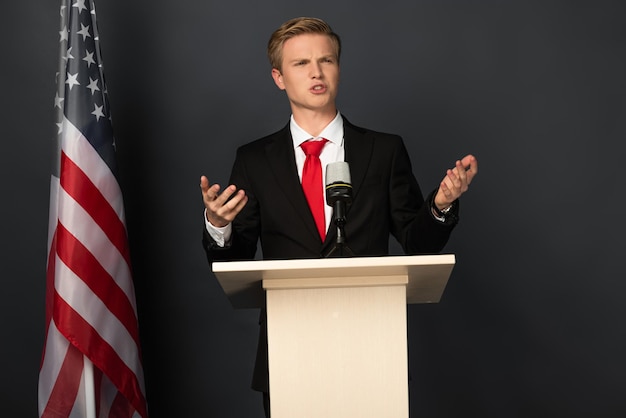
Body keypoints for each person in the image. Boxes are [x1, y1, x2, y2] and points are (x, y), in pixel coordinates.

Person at [200, 16, 478, 417]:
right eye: (301, 63)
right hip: (287, 350)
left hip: (373, 347)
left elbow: (418, 242)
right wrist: (220, 225)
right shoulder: (254, 160)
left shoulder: (383, 151)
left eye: (326, 61)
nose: (316, 72)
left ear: (339, 69)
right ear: (278, 77)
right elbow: (234, 261)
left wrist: (441, 205)